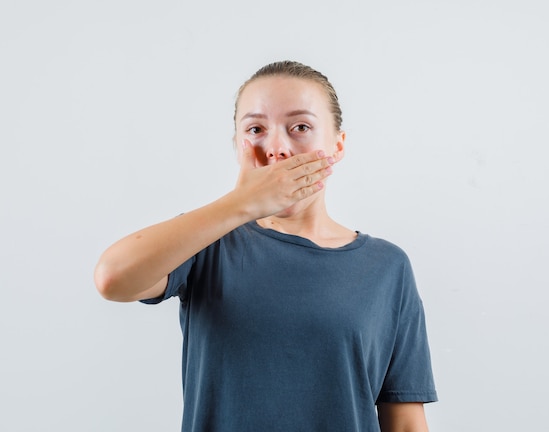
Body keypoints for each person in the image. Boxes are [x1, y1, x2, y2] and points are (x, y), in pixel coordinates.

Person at [94, 60, 437, 431]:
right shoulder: (207, 244)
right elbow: (113, 277)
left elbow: (404, 421)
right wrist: (242, 203)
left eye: (300, 127)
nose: (276, 147)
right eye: (256, 129)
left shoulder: (386, 266)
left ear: (338, 144)